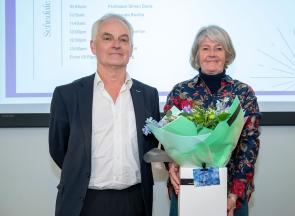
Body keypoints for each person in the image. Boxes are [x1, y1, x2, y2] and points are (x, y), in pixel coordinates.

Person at [49, 13, 160, 216]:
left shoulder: (148, 95)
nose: (116, 45)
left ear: (131, 49)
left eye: (123, 39)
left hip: (135, 202)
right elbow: (59, 149)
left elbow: (151, 145)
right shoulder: (67, 95)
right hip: (84, 202)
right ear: (93, 46)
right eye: (108, 38)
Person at [164, 25, 261, 216]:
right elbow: (167, 138)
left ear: (227, 54)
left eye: (219, 48)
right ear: (197, 54)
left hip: (230, 194)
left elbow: (249, 145)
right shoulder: (179, 92)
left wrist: (234, 194)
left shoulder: (243, 93)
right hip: (187, 188)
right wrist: (172, 165)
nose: (212, 54)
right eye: (205, 48)